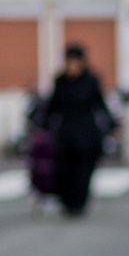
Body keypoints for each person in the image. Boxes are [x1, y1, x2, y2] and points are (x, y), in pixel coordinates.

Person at [45, 44, 113, 216]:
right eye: (69, 61)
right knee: (64, 170)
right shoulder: (60, 81)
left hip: (87, 135)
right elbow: (52, 106)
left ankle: (79, 203)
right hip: (65, 135)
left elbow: (100, 104)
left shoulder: (91, 81)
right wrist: (42, 123)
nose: (72, 66)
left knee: (84, 172)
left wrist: (111, 124)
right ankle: (67, 202)